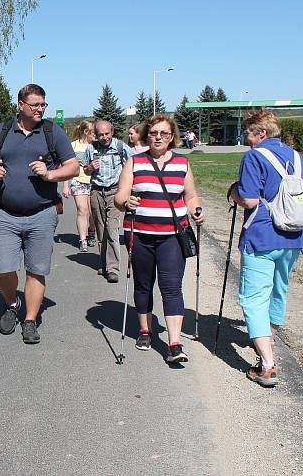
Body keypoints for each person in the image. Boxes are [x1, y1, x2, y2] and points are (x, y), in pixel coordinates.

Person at [0, 84, 78, 344]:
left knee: (36, 270)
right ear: (20, 105)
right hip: (5, 215)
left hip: (42, 213)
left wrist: (50, 174)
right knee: (3, 269)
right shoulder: (0, 132)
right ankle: (12, 303)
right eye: (35, 105)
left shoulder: (52, 132)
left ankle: (30, 320)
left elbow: (74, 166)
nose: (41, 109)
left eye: (43, 105)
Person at [114, 114, 204, 363]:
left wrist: (196, 209)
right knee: (143, 284)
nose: (158, 137)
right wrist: (126, 201)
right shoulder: (134, 163)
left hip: (172, 237)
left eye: (164, 133)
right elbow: (119, 198)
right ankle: (145, 329)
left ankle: (175, 343)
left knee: (171, 287)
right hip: (140, 234)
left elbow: (191, 194)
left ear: (172, 137)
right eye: (154, 133)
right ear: (147, 135)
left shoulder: (182, 164)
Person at [230, 111, 303, 387]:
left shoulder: (254, 157)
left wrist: (233, 193)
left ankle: (267, 364)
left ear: (261, 133)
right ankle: (269, 341)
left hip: (261, 235)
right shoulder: (297, 157)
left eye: (248, 132)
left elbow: (250, 199)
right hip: (292, 236)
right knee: (278, 290)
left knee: (254, 297)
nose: (245, 137)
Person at [84, 120, 134, 282]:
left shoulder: (120, 147)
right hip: (97, 192)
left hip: (115, 192)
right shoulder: (91, 148)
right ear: (96, 135)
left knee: (112, 229)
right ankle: (103, 263)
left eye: (107, 134)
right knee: (100, 229)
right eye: (101, 135)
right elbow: (85, 169)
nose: (104, 137)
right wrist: (90, 168)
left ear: (112, 132)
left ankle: (113, 269)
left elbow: (133, 164)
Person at [61, 119, 96, 252]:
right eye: (94, 132)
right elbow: (67, 167)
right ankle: (83, 240)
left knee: (92, 211)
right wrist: (66, 185)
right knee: (82, 210)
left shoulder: (95, 146)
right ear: (86, 132)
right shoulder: (73, 146)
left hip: (93, 182)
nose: (96, 135)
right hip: (78, 181)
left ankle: (91, 231)